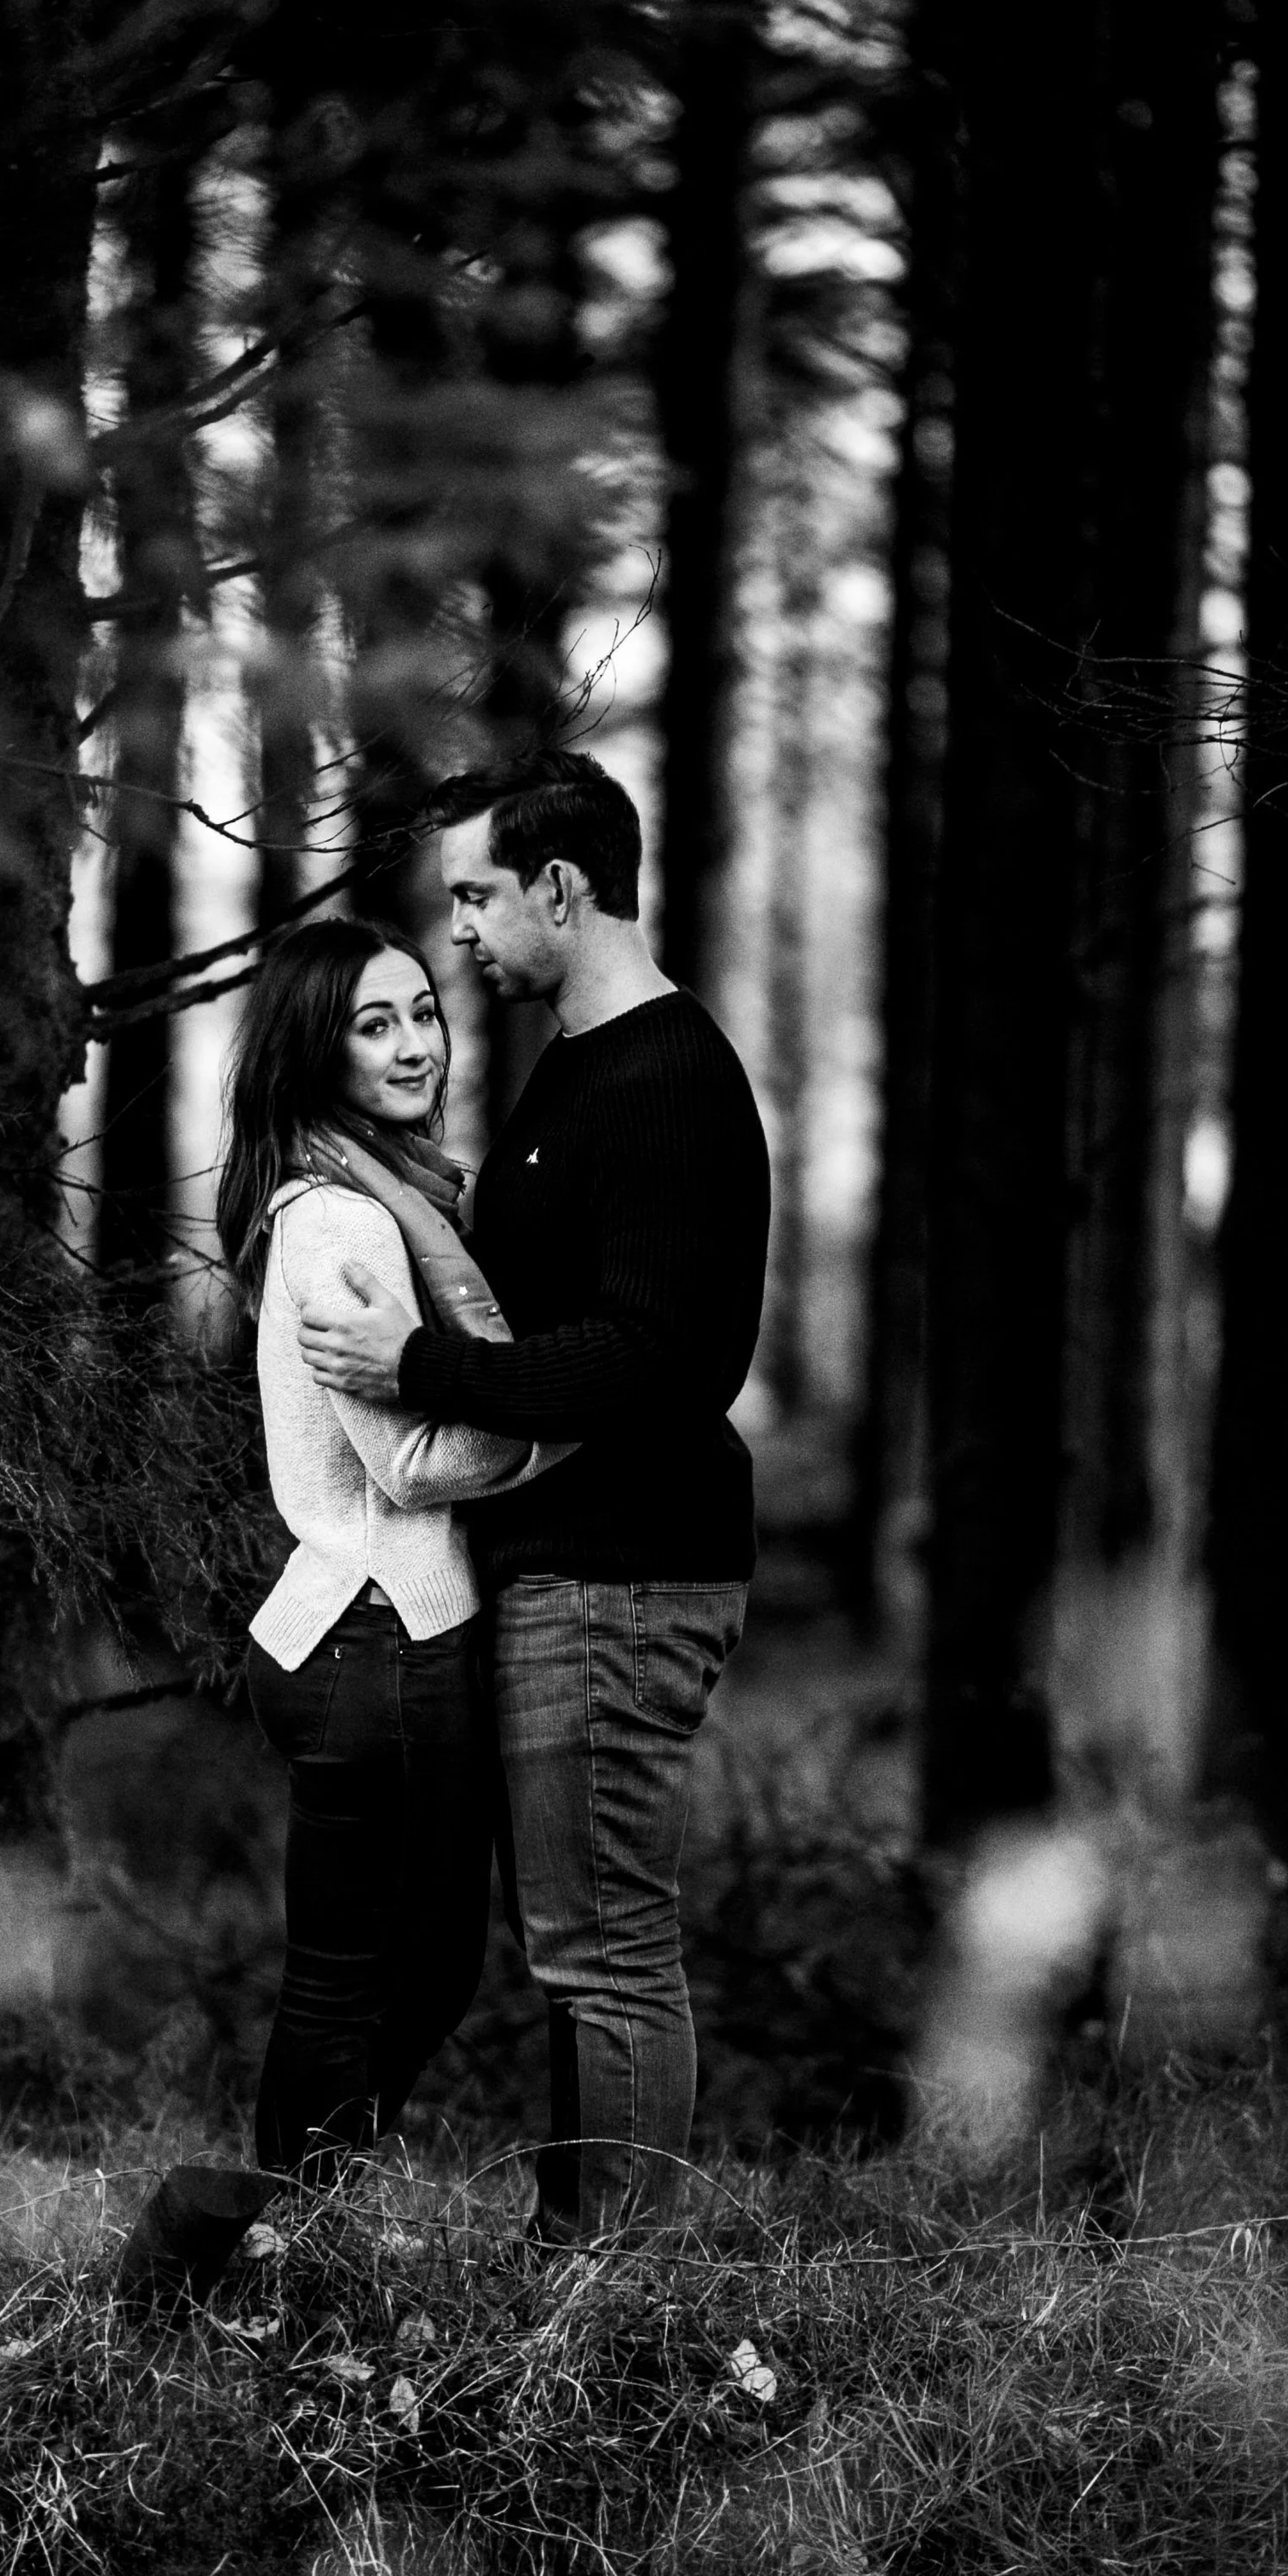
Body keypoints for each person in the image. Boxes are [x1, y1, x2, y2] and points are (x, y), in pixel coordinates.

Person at [298, 751, 771, 2245]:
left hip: (627, 1576)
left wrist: (417, 1363)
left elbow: (657, 1359)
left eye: (481, 898)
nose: (464, 937)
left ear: (563, 888)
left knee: (607, 1948)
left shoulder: (673, 1083)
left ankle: (616, 2296)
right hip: (564, 1567)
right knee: (572, 1944)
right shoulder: (578, 1068)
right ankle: (577, 2262)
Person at [118, 916, 566, 2309]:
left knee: (405, 1963)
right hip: (379, 1629)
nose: (415, 1042)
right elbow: (407, 1459)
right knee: (377, 1973)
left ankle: (267, 2233)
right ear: (319, 1051)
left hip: (362, 1627)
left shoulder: (380, 1194)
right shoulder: (344, 1218)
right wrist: (564, 1426)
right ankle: (250, 2240)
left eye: (421, 1011)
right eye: (373, 1025)